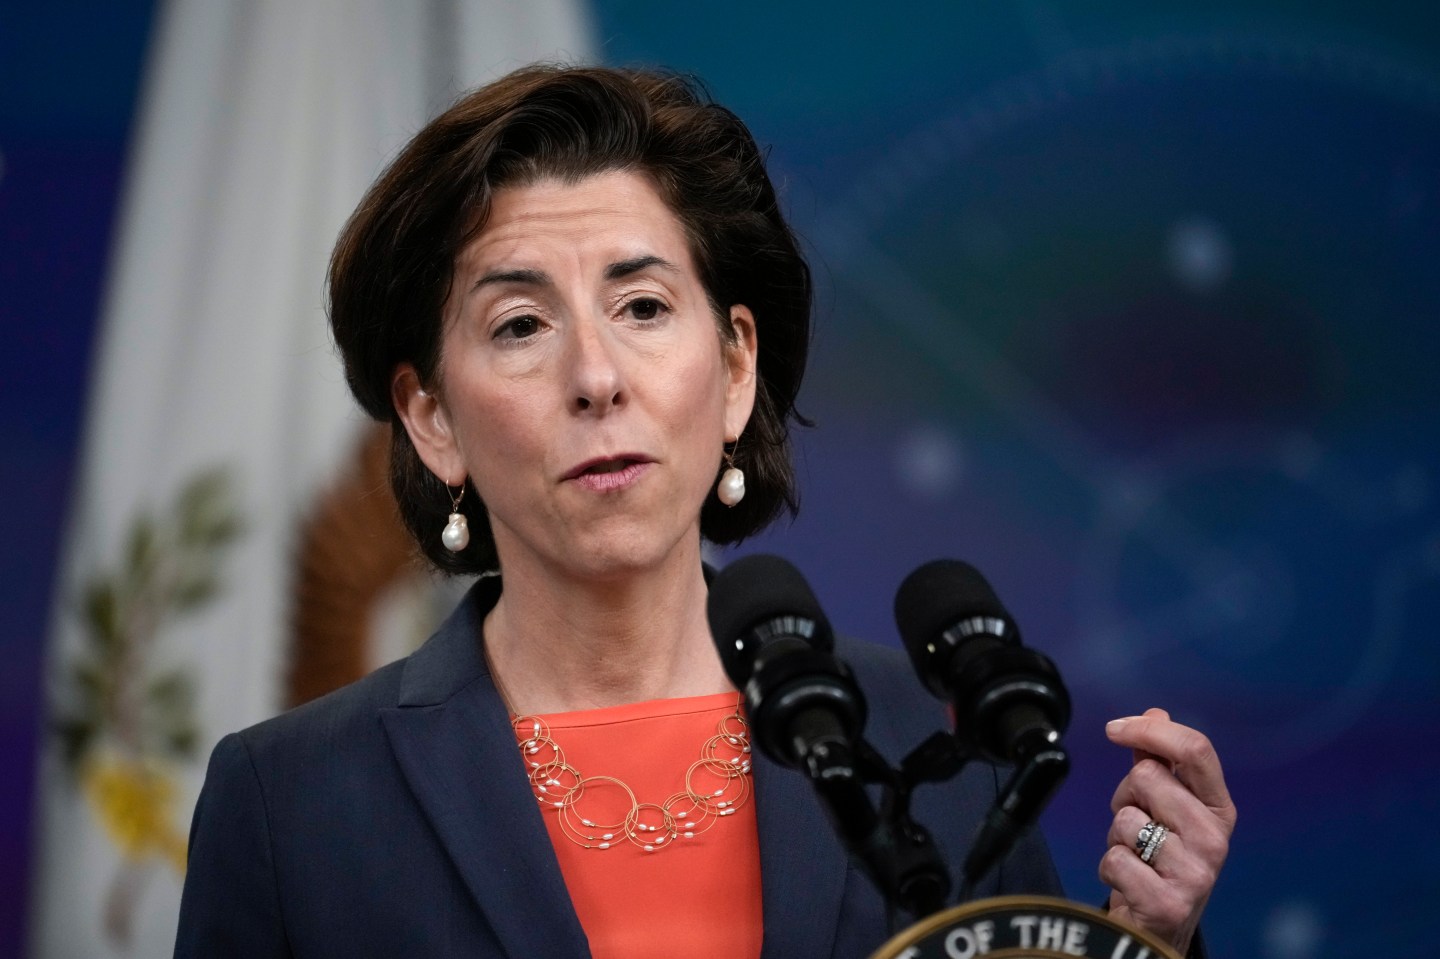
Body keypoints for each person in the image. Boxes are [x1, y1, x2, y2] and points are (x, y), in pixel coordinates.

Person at [175, 65, 1235, 959]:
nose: (597, 376)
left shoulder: (929, 735)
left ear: (734, 367)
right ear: (430, 416)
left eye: (642, 306)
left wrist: (1143, 938)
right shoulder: (290, 800)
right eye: (520, 324)